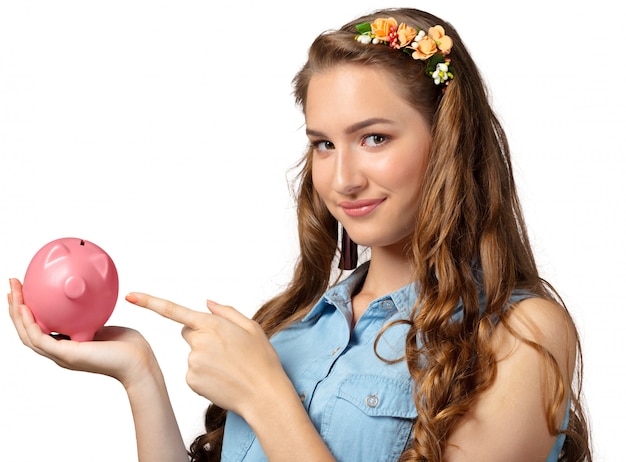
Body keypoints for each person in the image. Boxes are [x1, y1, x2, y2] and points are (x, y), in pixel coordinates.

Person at [8, 7, 592, 462]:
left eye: (375, 138)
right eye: (323, 143)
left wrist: (264, 395)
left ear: (449, 140)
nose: (342, 179)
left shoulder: (520, 333)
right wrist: (138, 372)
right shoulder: (294, 324)